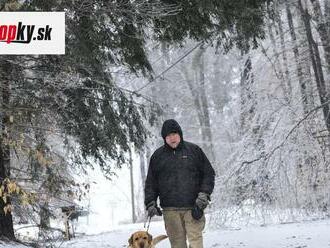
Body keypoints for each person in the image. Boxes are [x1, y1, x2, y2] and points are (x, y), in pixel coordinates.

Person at [144, 119, 215, 248]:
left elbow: (208, 174)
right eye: (168, 135)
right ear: (164, 138)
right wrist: (150, 202)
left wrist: (203, 196)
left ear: (180, 134)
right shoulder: (158, 156)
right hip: (170, 211)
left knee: (196, 243)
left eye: (174, 134)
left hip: (193, 207)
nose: (172, 138)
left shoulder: (194, 151)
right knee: (177, 245)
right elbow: (151, 183)